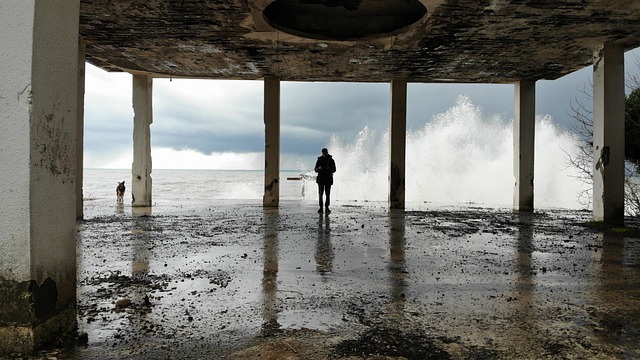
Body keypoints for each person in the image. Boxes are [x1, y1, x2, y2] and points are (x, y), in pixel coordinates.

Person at [314, 148, 336, 214]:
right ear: (322, 153)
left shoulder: (331, 160)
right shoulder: (319, 160)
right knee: (320, 194)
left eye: (325, 152)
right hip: (320, 179)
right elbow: (315, 169)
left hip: (328, 179)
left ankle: (327, 207)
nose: (324, 154)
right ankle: (321, 207)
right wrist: (319, 168)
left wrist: (328, 168)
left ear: (327, 152)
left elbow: (334, 170)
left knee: (327, 194)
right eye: (323, 153)